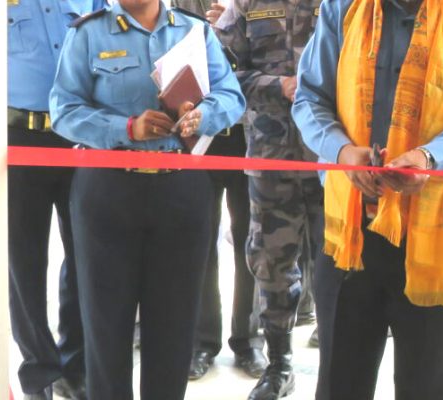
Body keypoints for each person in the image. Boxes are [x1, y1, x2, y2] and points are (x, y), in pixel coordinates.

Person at [292, 0, 443, 398]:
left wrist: (429, 158)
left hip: (437, 229)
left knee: (426, 382)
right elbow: (309, 98)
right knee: (340, 380)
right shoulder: (343, 9)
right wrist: (342, 151)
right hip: (350, 227)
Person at [49, 0, 245, 398]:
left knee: (174, 328)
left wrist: (203, 115)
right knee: (106, 327)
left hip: (180, 191)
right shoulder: (88, 33)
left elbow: (231, 96)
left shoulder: (193, 31)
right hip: (108, 194)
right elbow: (64, 110)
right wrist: (127, 128)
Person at [213, 1, 325, 398]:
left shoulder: (348, 5)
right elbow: (220, 72)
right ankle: (279, 365)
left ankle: (340, 362)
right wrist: (277, 86)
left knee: (340, 266)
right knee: (271, 264)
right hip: (271, 156)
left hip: (335, 158)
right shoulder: (247, 6)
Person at [167, 0, 268, 381]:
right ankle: (200, 340)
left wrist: (232, 25)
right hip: (196, 138)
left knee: (252, 239)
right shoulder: (178, 6)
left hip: (253, 135)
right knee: (198, 239)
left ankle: (249, 339)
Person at [7, 0, 103, 398]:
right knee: (23, 260)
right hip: (15, 138)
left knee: (86, 253)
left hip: (79, 135)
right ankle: (39, 372)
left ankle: (74, 364)